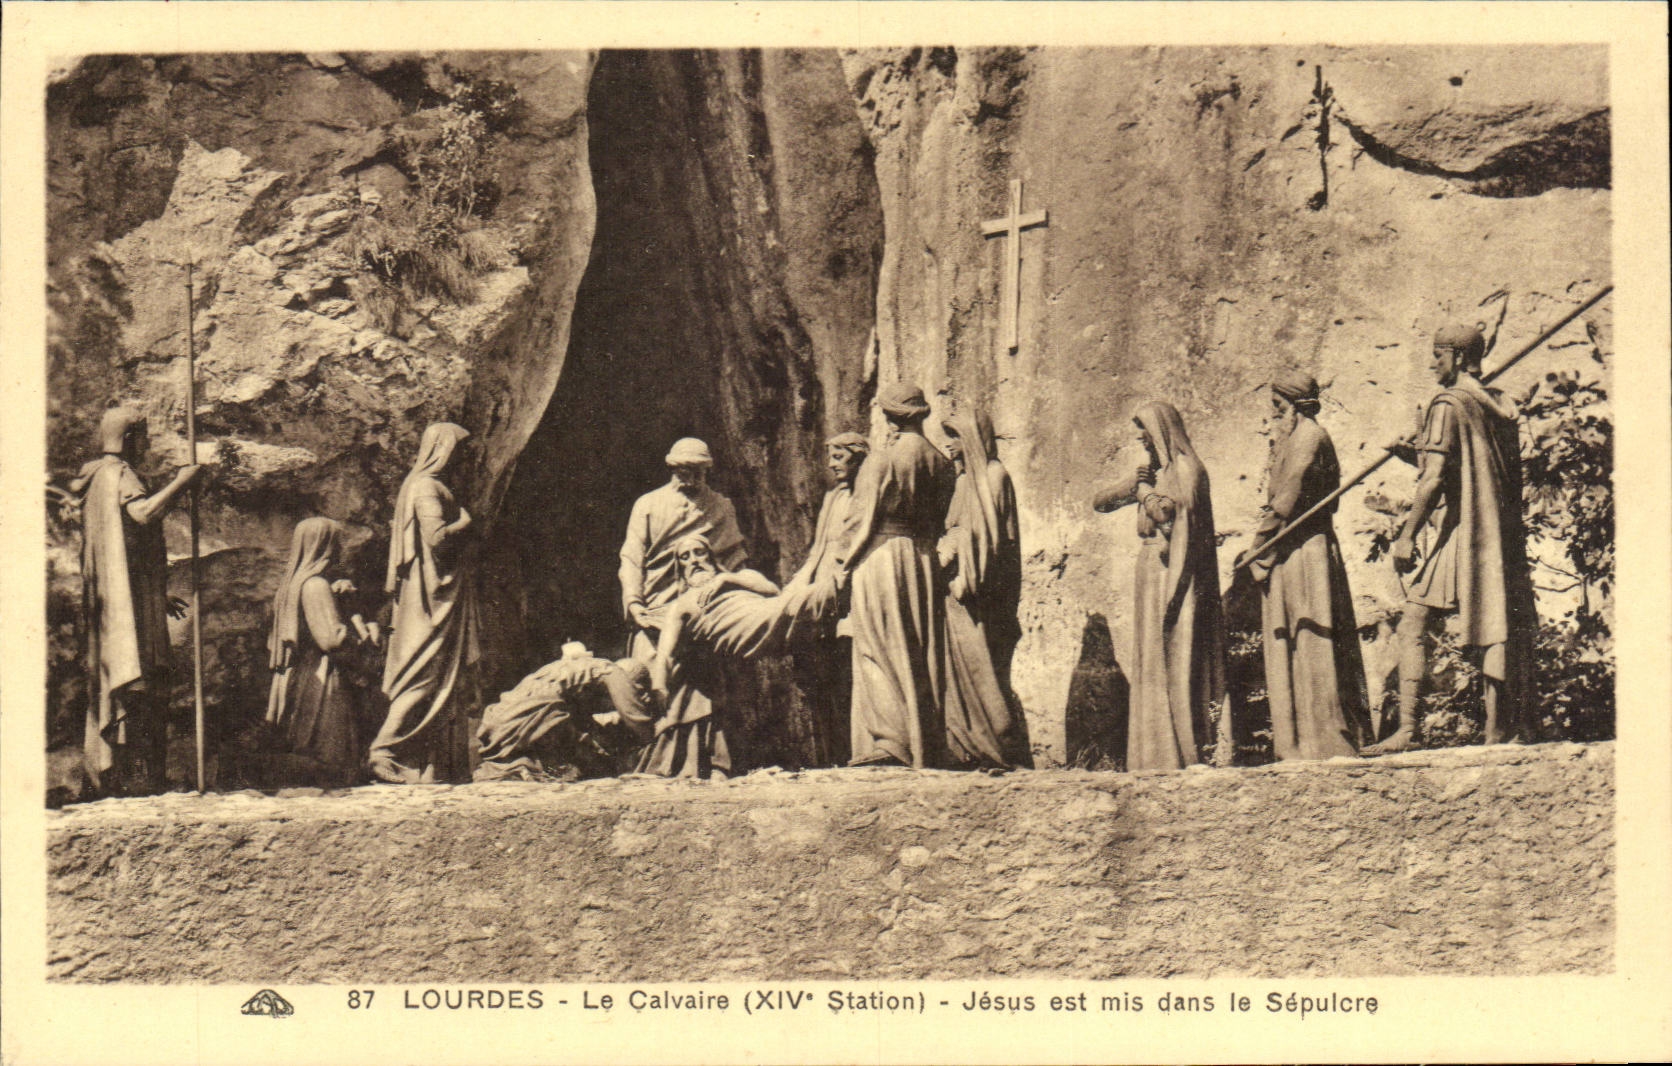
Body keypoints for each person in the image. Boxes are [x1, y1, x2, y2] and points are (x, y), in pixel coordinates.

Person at [1364, 324, 1537, 754]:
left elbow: (1435, 480)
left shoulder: (1447, 403)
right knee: (1495, 623)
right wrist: (1418, 454)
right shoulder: (1497, 405)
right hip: (1493, 534)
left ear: (1458, 358)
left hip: (1463, 532)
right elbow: (1469, 465)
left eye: (1438, 356)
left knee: (1414, 622)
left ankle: (1408, 730)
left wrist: (1406, 536)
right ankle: (1502, 727)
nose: (1432, 363)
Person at [1236, 371, 1373, 760]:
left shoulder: (1309, 437)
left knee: (1313, 637)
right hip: (1289, 551)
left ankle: (1327, 740)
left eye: (1279, 409)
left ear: (1295, 408)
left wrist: (1259, 544)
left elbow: (1288, 497)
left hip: (1305, 550)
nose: (1273, 418)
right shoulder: (1294, 438)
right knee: (1295, 637)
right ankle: (1298, 743)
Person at [71, 407, 204, 796]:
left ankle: (121, 775)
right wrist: (183, 482)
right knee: (141, 686)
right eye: (144, 437)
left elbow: (124, 550)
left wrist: (152, 594)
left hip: (123, 599)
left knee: (127, 686)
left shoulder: (94, 477)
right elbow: (144, 514)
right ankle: (139, 779)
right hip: (127, 609)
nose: (147, 445)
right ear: (131, 438)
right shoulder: (120, 473)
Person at [1093, 401, 1227, 771]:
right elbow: (1100, 503)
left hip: (1175, 576)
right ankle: (1154, 751)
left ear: (1163, 433)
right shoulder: (1158, 473)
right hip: (1151, 569)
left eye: (1146, 432)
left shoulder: (1187, 469)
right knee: (1152, 658)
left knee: (1173, 657)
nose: (1141, 439)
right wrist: (1135, 483)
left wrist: (1145, 493)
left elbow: (1169, 517)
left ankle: (1181, 749)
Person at [641, 534, 835, 779]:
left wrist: (725, 579)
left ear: (711, 556)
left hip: (763, 610)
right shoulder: (680, 605)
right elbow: (665, 653)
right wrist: (659, 686)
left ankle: (831, 590)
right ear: (680, 567)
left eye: (699, 552)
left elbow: (773, 590)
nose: (694, 560)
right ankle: (834, 589)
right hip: (741, 627)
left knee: (795, 612)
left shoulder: (741, 578)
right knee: (806, 604)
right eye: (685, 557)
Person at [839, 384, 955, 767]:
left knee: (876, 646)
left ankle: (890, 742)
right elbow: (940, 520)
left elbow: (859, 519)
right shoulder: (941, 462)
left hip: (882, 556)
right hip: (921, 558)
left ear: (889, 416)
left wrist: (841, 564)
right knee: (918, 649)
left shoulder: (882, 460)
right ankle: (923, 743)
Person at [370, 423, 481, 784]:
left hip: (438, 593)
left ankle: (423, 762)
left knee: (435, 678)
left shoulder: (426, 485)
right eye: (458, 449)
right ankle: (383, 751)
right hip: (432, 598)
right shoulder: (425, 487)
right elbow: (435, 538)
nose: (463, 457)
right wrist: (465, 523)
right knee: (423, 674)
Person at [940, 409, 1025, 768]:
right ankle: (964, 749)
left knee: (987, 669)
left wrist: (967, 575)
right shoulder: (963, 483)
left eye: (956, 436)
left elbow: (989, 537)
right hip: (957, 586)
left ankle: (997, 748)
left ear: (972, 438)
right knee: (961, 671)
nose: (950, 444)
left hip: (982, 591)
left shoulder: (994, 475)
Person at [265, 517, 375, 786]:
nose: (340, 550)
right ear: (323, 546)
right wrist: (365, 632)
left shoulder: (291, 585)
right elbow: (332, 640)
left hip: (298, 674)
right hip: (321, 680)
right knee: (330, 757)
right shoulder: (315, 586)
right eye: (336, 543)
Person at [619, 438, 748, 666]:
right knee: (652, 674)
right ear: (674, 469)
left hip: (707, 611)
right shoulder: (648, 504)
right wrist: (634, 603)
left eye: (699, 472)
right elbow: (631, 558)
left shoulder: (721, 507)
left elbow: (734, 560)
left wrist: (743, 591)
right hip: (656, 609)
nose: (692, 480)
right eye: (685, 472)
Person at [786, 431, 869, 765]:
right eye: (831, 457)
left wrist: (838, 581)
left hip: (847, 595)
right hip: (821, 594)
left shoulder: (866, 494)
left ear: (857, 456)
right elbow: (818, 549)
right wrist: (797, 585)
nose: (833, 464)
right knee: (817, 676)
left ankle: (853, 752)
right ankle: (827, 755)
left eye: (839, 457)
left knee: (845, 676)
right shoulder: (833, 497)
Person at [474, 644, 656, 782]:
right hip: (533, 713)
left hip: (503, 718)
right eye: (638, 691)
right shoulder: (613, 671)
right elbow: (635, 717)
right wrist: (652, 738)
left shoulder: (577, 669)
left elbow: (581, 721)